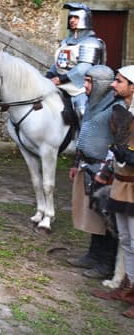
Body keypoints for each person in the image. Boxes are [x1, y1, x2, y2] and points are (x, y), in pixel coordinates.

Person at [67, 65, 119, 278]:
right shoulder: (93, 104)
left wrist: (107, 170)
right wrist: (76, 162)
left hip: (104, 169)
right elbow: (85, 133)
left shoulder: (116, 108)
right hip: (87, 165)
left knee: (105, 218)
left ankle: (106, 263)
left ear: (102, 85)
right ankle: (93, 255)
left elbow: (118, 142)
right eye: (85, 80)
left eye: (89, 82)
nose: (85, 86)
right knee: (92, 214)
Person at [93, 65, 134, 317]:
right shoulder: (122, 112)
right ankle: (127, 288)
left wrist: (129, 156)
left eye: (118, 81)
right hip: (121, 182)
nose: (112, 85)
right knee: (127, 240)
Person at [45, 2, 106, 117]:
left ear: (85, 19)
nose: (72, 20)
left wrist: (59, 79)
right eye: (71, 17)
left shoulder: (91, 42)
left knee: (82, 111)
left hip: (81, 86)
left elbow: (84, 68)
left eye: (76, 17)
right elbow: (58, 63)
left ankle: (84, 134)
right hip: (60, 83)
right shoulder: (65, 42)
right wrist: (48, 76)